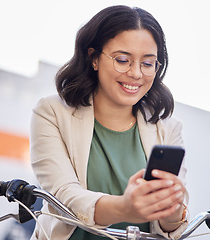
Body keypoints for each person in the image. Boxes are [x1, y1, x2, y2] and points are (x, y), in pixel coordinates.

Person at [29, 5, 189, 240]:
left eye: (147, 64)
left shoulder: (168, 127)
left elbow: (171, 227)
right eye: (123, 60)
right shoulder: (51, 112)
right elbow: (65, 196)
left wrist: (171, 206)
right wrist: (125, 208)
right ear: (93, 57)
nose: (136, 73)